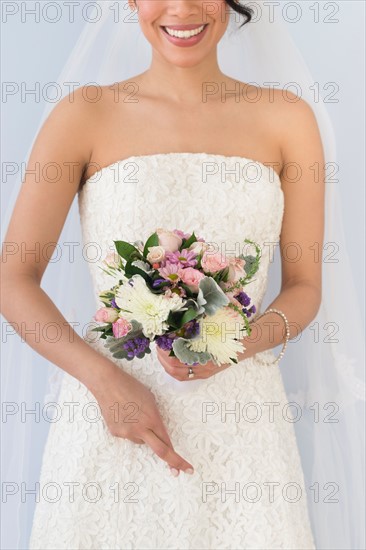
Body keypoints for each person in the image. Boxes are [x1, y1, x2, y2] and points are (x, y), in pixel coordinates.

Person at [1, 1, 364, 549]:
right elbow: (13, 276)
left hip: (244, 427)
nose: (183, 9)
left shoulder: (287, 118)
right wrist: (104, 383)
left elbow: (306, 288)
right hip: (113, 419)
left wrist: (233, 344)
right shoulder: (86, 113)